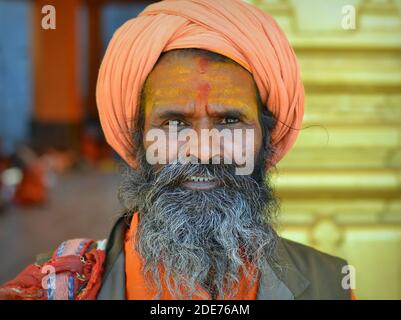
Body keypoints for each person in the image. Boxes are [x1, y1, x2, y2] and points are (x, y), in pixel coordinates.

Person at [0, 0, 353, 300]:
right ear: (136, 140)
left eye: (230, 122)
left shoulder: (330, 284)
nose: (202, 150)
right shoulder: (56, 286)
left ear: (268, 138)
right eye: (174, 123)